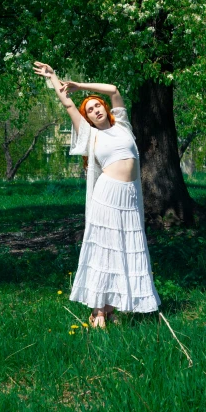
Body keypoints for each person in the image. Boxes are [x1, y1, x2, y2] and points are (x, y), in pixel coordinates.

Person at [33, 61, 161, 328]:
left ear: (104, 108)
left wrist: (80, 85)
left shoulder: (123, 126)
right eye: (89, 110)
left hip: (129, 198)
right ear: (88, 118)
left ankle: (111, 309)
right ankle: (97, 312)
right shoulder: (89, 134)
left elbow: (113, 90)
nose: (94, 110)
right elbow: (68, 104)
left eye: (96, 106)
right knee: (103, 249)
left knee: (122, 250)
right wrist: (54, 78)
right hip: (107, 195)